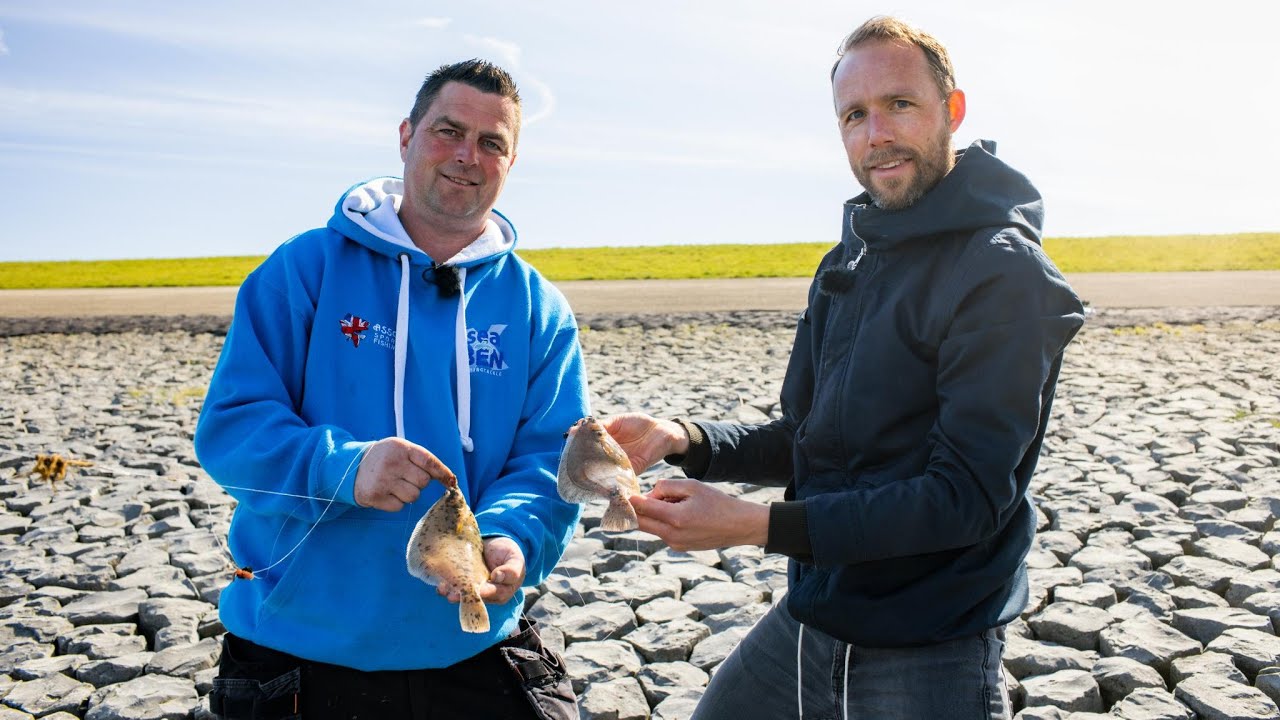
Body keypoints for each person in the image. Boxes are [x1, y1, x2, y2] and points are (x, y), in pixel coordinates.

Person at [604, 16, 1085, 720]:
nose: (876, 134)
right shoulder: (851, 259)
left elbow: (966, 500)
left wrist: (752, 525)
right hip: (817, 617)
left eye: (899, 105)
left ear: (951, 110)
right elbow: (806, 437)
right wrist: (682, 438)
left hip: (932, 638)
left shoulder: (1002, 273)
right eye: (853, 115)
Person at [194, 59, 584, 719]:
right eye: (448, 131)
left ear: (510, 162)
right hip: (299, 653)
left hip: (472, 641)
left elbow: (550, 461)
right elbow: (232, 430)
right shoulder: (304, 268)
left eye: (492, 143)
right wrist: (344, 468)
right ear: (406, 135)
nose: (467, 156)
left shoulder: (537, 308)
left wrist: (515, 535)